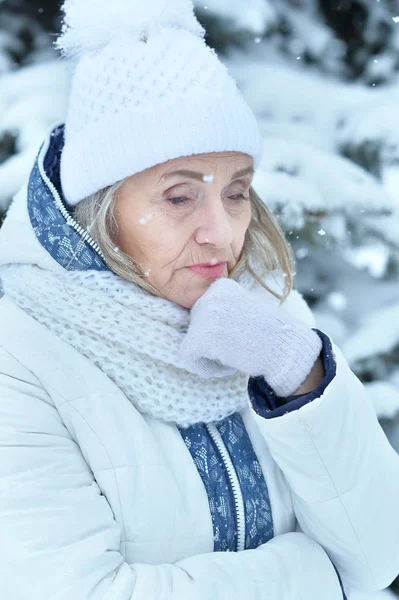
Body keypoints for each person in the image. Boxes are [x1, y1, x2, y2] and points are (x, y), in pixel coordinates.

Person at [0, 1, 398, 599]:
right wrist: (320, 577)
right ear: (101, 210)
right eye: (180, 197)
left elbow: (377, 554)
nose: (223, 232)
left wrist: (302, 376)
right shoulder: (20, 358)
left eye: (236, 192)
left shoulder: (267, 320)